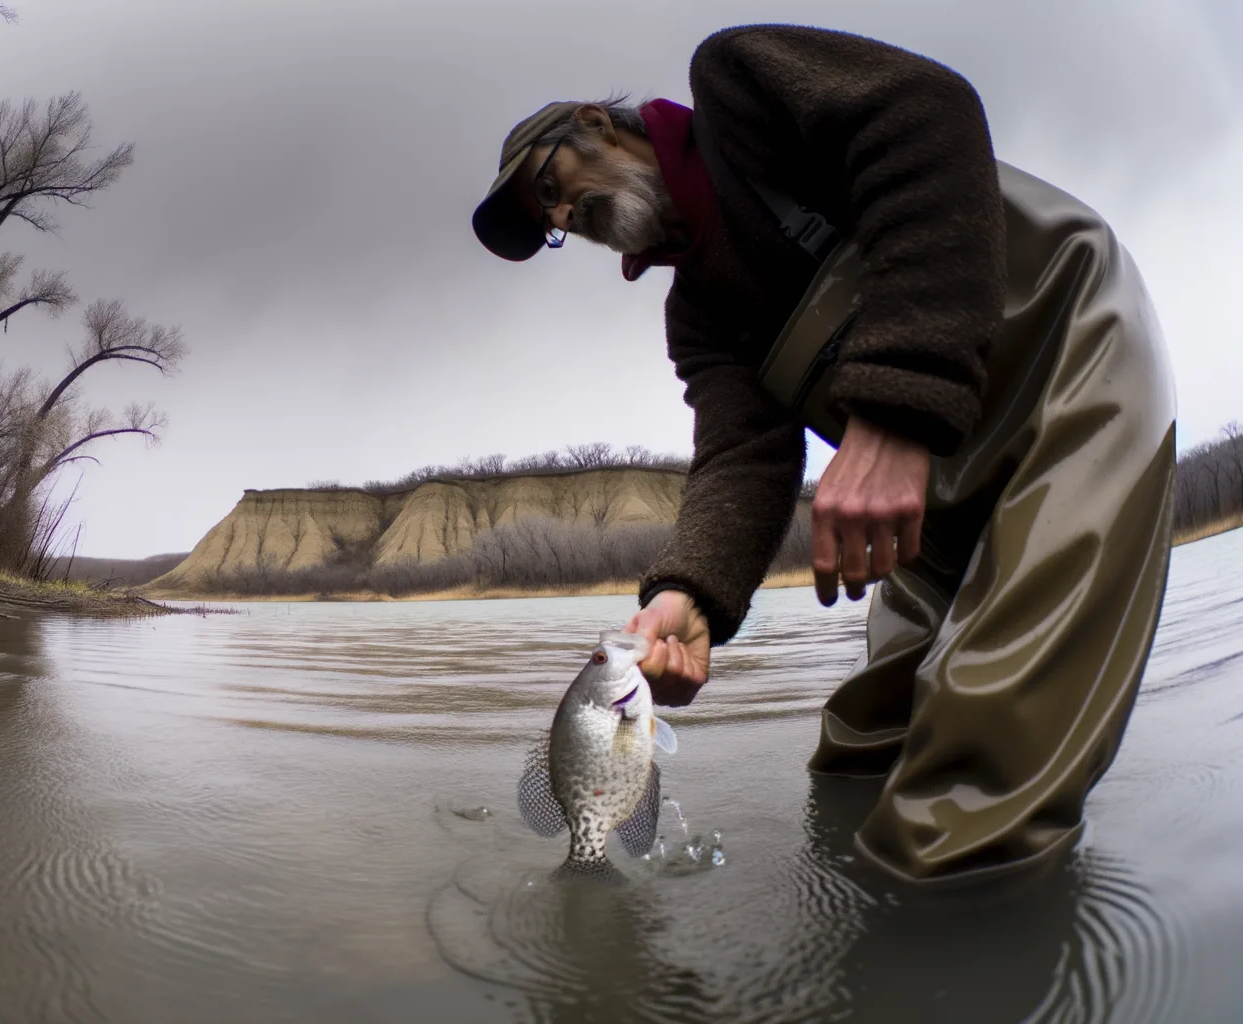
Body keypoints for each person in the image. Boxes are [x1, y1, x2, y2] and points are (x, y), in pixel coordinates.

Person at [471, 24, 1177, 885]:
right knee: (857, 750)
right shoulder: (696, 319)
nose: (559, 216)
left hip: (1071, 370)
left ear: (596, 123)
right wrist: (691, 594)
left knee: (969, 783)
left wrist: (890, 415)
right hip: (934, 497)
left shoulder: (738, 89)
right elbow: (742, 457)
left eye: (550, 184)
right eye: (547, 225)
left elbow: (929, 113)